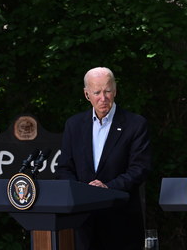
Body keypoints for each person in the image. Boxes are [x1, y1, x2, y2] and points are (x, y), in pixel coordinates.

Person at [57, 67, 151, 250]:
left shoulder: (135, 124)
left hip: (121, 222)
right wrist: (81, 191)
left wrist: (107, 188)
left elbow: (140, 168)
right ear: (86, 94)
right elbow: (64, 168)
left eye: (108, 91)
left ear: (115, 91)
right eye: (97, 92)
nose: (103, 97)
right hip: (83, 223)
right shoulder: (74, 125)